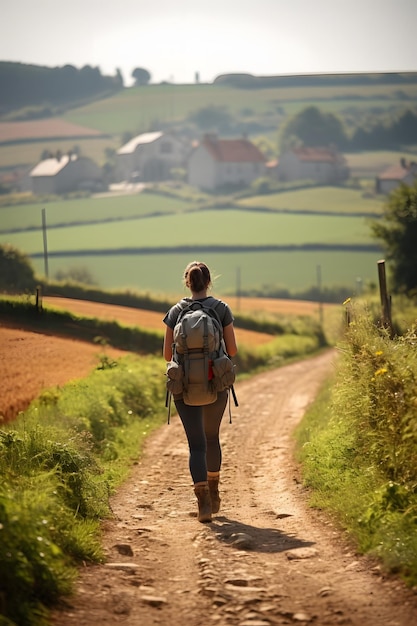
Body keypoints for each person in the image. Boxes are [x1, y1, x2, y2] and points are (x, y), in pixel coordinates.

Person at [163, 261, 238, 523]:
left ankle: (203, 504)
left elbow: (165, 354)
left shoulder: (176, 311)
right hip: (215, 382)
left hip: (184, 387)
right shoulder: (221, 309)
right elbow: (233, 350)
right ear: (209, 282)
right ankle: (215, 492)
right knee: (211, 439)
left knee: (196, 445)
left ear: (187, 282)